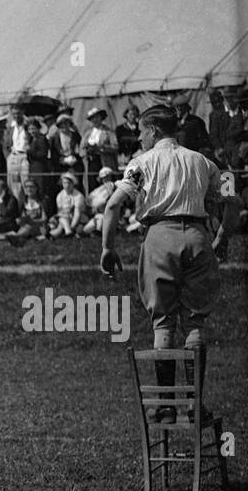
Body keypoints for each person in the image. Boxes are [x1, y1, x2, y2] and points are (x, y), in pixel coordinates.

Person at [99, 103, 238, 417]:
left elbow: (112, 207)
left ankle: (165, 404)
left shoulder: (142, 162)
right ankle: (194, 403)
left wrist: (108, 248)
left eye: (141, 133)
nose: (140, 138)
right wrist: (222, 236)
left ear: (153, 130)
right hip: (199, 237)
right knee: (195, 322)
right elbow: (233, 198)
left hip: (160, 236)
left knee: (163, 323)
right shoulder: (204, 161)